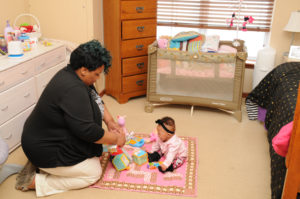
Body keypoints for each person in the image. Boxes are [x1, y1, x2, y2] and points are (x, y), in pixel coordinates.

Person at [16, 40, 126, 197]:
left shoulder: (75, 75)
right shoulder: (73, 89)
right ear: (83, 70)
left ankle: (41, 167)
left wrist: (109, 122)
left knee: (95, 152)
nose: (97, 78)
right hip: (42, 148)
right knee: (93, 172)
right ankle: (36, 182)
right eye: (96, 74)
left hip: (45, 135)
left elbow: (97, 99)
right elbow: (89, 132)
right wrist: (116, 139)